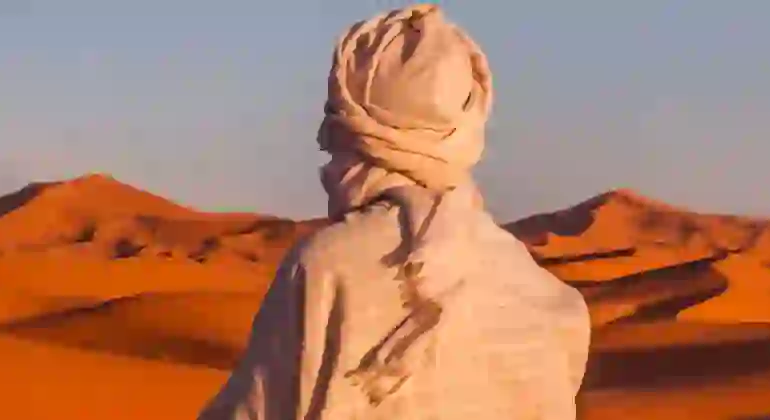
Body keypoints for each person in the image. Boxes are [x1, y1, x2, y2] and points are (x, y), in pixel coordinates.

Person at [197, 5, 590, 420]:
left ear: (358, 124)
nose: (323, 140)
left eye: (335, 116)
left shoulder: (326, 270)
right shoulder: (550, 301)